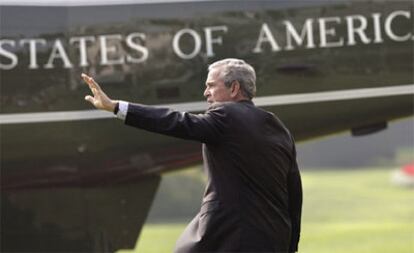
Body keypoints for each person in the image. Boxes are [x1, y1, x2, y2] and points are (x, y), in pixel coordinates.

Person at [82, 58, 302, 253]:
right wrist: (291, 245)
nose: (206, 93)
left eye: (210, 86)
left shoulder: (225, 116)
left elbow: (176, 122)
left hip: (228, 238)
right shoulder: (279, 128)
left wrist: (116, 107)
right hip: (274, 240)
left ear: (234, 88)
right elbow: (294, 195)